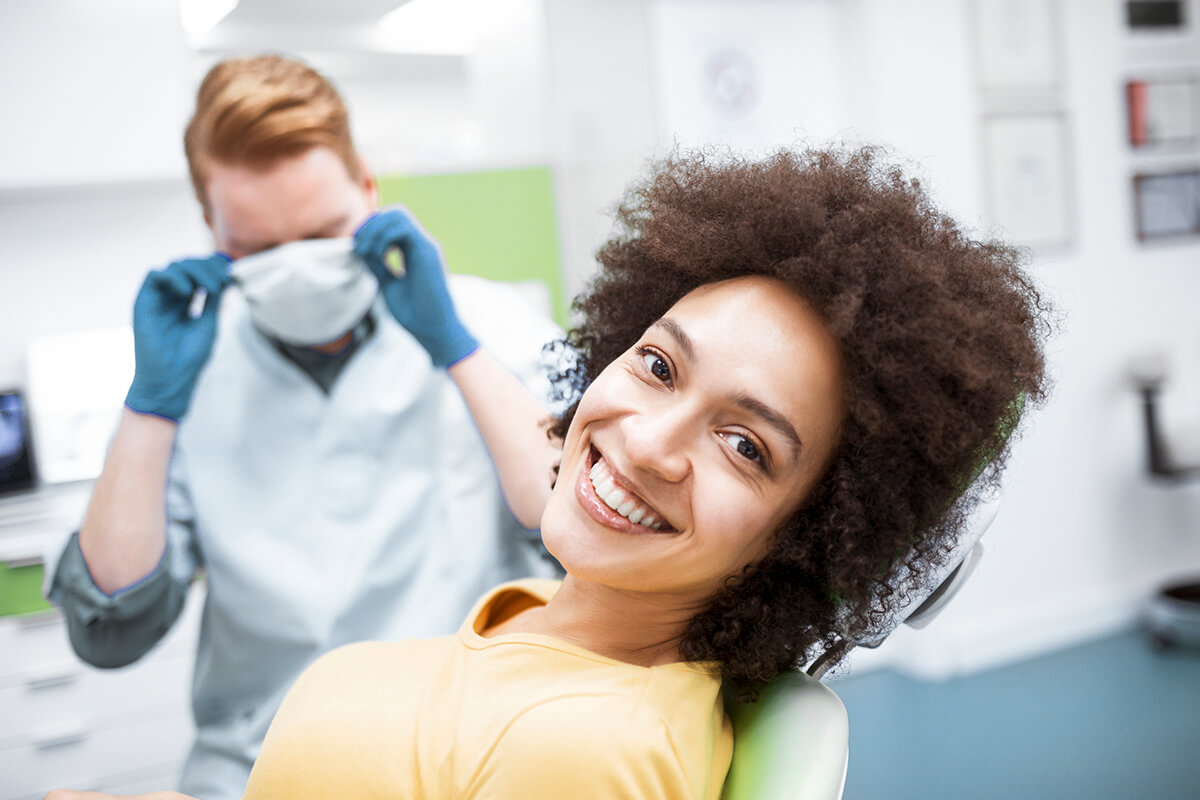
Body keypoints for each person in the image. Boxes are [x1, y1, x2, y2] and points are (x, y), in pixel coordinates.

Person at [45, 145, 1051, 800]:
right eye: (657, 364)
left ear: (812, 531)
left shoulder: (596, 746)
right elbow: (113, 616)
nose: (651, 443)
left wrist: (450, 342)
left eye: (747, 446)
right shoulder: (518, 627)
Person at [42, 55, 562, 798]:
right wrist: (150, 406)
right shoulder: (188, 375)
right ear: (211, 229)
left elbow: (583, 527)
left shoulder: (490, 330)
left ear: (369, 190)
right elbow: (111, 629)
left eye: (324, 235)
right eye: (258, 251)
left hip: (466, 759)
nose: (298, 270)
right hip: (260, 772)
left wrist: (455, 348)